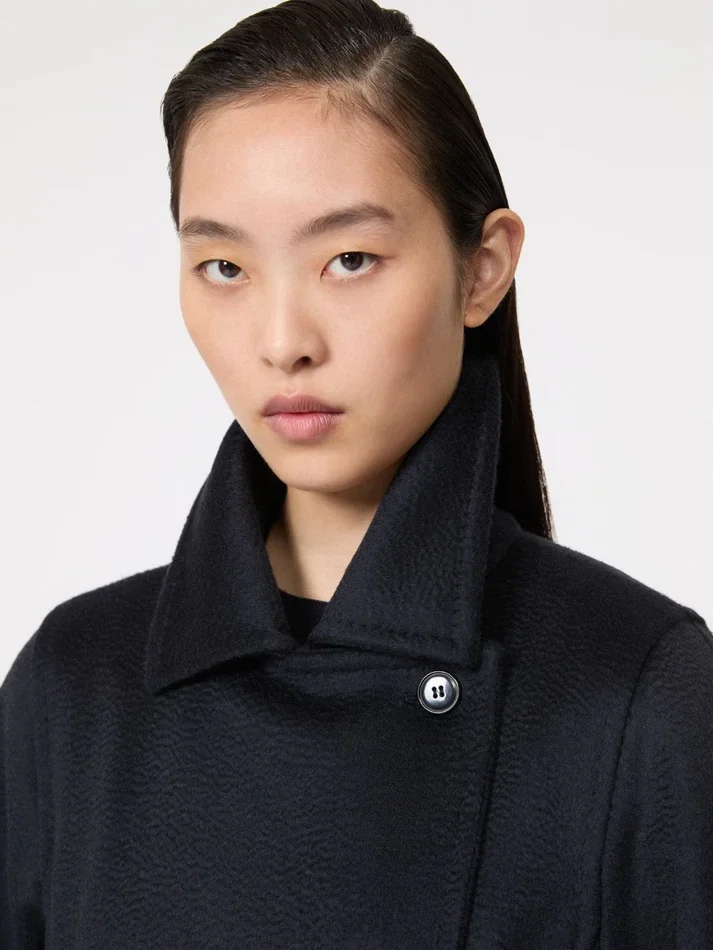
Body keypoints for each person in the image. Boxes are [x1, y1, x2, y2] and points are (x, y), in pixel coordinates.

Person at [2, 0, 711, 947]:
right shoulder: (74, 685)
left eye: (348, 258)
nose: (282, 341)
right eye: (223, 267)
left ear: (481, 269)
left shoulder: (632, 684)